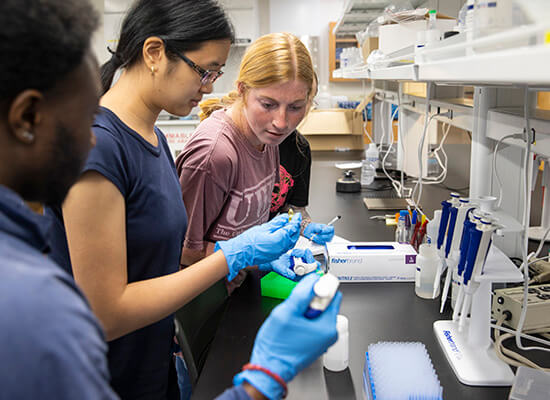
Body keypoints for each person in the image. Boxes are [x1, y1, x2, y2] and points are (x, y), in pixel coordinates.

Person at [41, 0, 311, 398]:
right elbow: (105, 313)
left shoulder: (154, 138)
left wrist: (252, 255)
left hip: (149, 361)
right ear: (154, 53)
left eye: (216, 73)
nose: (211, 87)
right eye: (204, 71)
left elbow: (159, 264)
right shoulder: (96, 148)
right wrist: (229, 257)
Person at [176, 32, 334, 284]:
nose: (281, 122)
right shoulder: (214, 155)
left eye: (295, 107)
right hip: (204, 305)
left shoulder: (266, 136)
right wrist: (248, 255)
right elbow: (180, 250)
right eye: (268, 104)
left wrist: (271, 249)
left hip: (237, 288)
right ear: (242, 90)